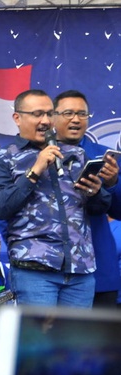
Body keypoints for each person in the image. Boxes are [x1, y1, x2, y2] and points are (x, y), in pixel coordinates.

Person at [0, 89, 111, 308]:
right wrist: (35, 170)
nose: (45, 121)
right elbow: (0, 207)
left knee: (75, 342)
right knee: (40, 342)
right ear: (17, 118)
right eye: (37, 114)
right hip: (35, 271)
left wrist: (96, 192)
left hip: (79, 271)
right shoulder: (3, 159)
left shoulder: (76, 154)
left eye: (49, 114)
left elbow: (101, 207)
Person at [51, 90, 121, 307]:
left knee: (102, 341)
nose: (76, 119)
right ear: (53, 118)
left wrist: (113, 184)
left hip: (99, 269)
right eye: (68, 113)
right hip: (50, 271)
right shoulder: (37, 155)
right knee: (56, 340)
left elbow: (118, 211)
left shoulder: (106, 157)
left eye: (82, 114)